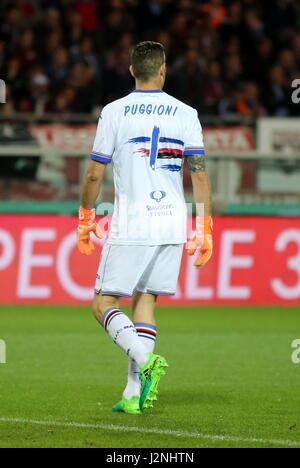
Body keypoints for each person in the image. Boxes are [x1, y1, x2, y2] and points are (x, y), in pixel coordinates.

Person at [77, 41, 213, 415]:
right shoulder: (186, 112)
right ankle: (134, 393)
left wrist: (86, 216)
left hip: (133, 220)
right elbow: (198, 174)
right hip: (172, 221)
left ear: (132, 70)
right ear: (164, 69)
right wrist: (205, 226)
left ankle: (147, 361)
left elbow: (94, 172)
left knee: (102, 302)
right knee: (146, 301)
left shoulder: (114, 111)